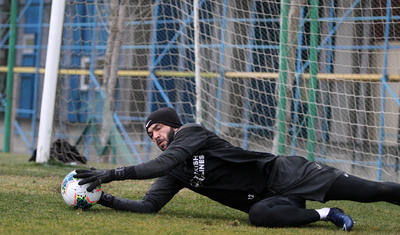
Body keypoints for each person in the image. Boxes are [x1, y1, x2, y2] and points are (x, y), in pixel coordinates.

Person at [75, 107, 400, 231]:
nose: (156, 137)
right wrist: (102, 198)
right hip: (269, 199)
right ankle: (327, 214)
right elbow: (149, 207)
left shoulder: (193, 134)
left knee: (374, 191)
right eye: (150, 136)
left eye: (157, 129)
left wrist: (110, 173)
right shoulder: (175, 172)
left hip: (286, 173)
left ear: (174, 126)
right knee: (259, 217)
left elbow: (159, 164)